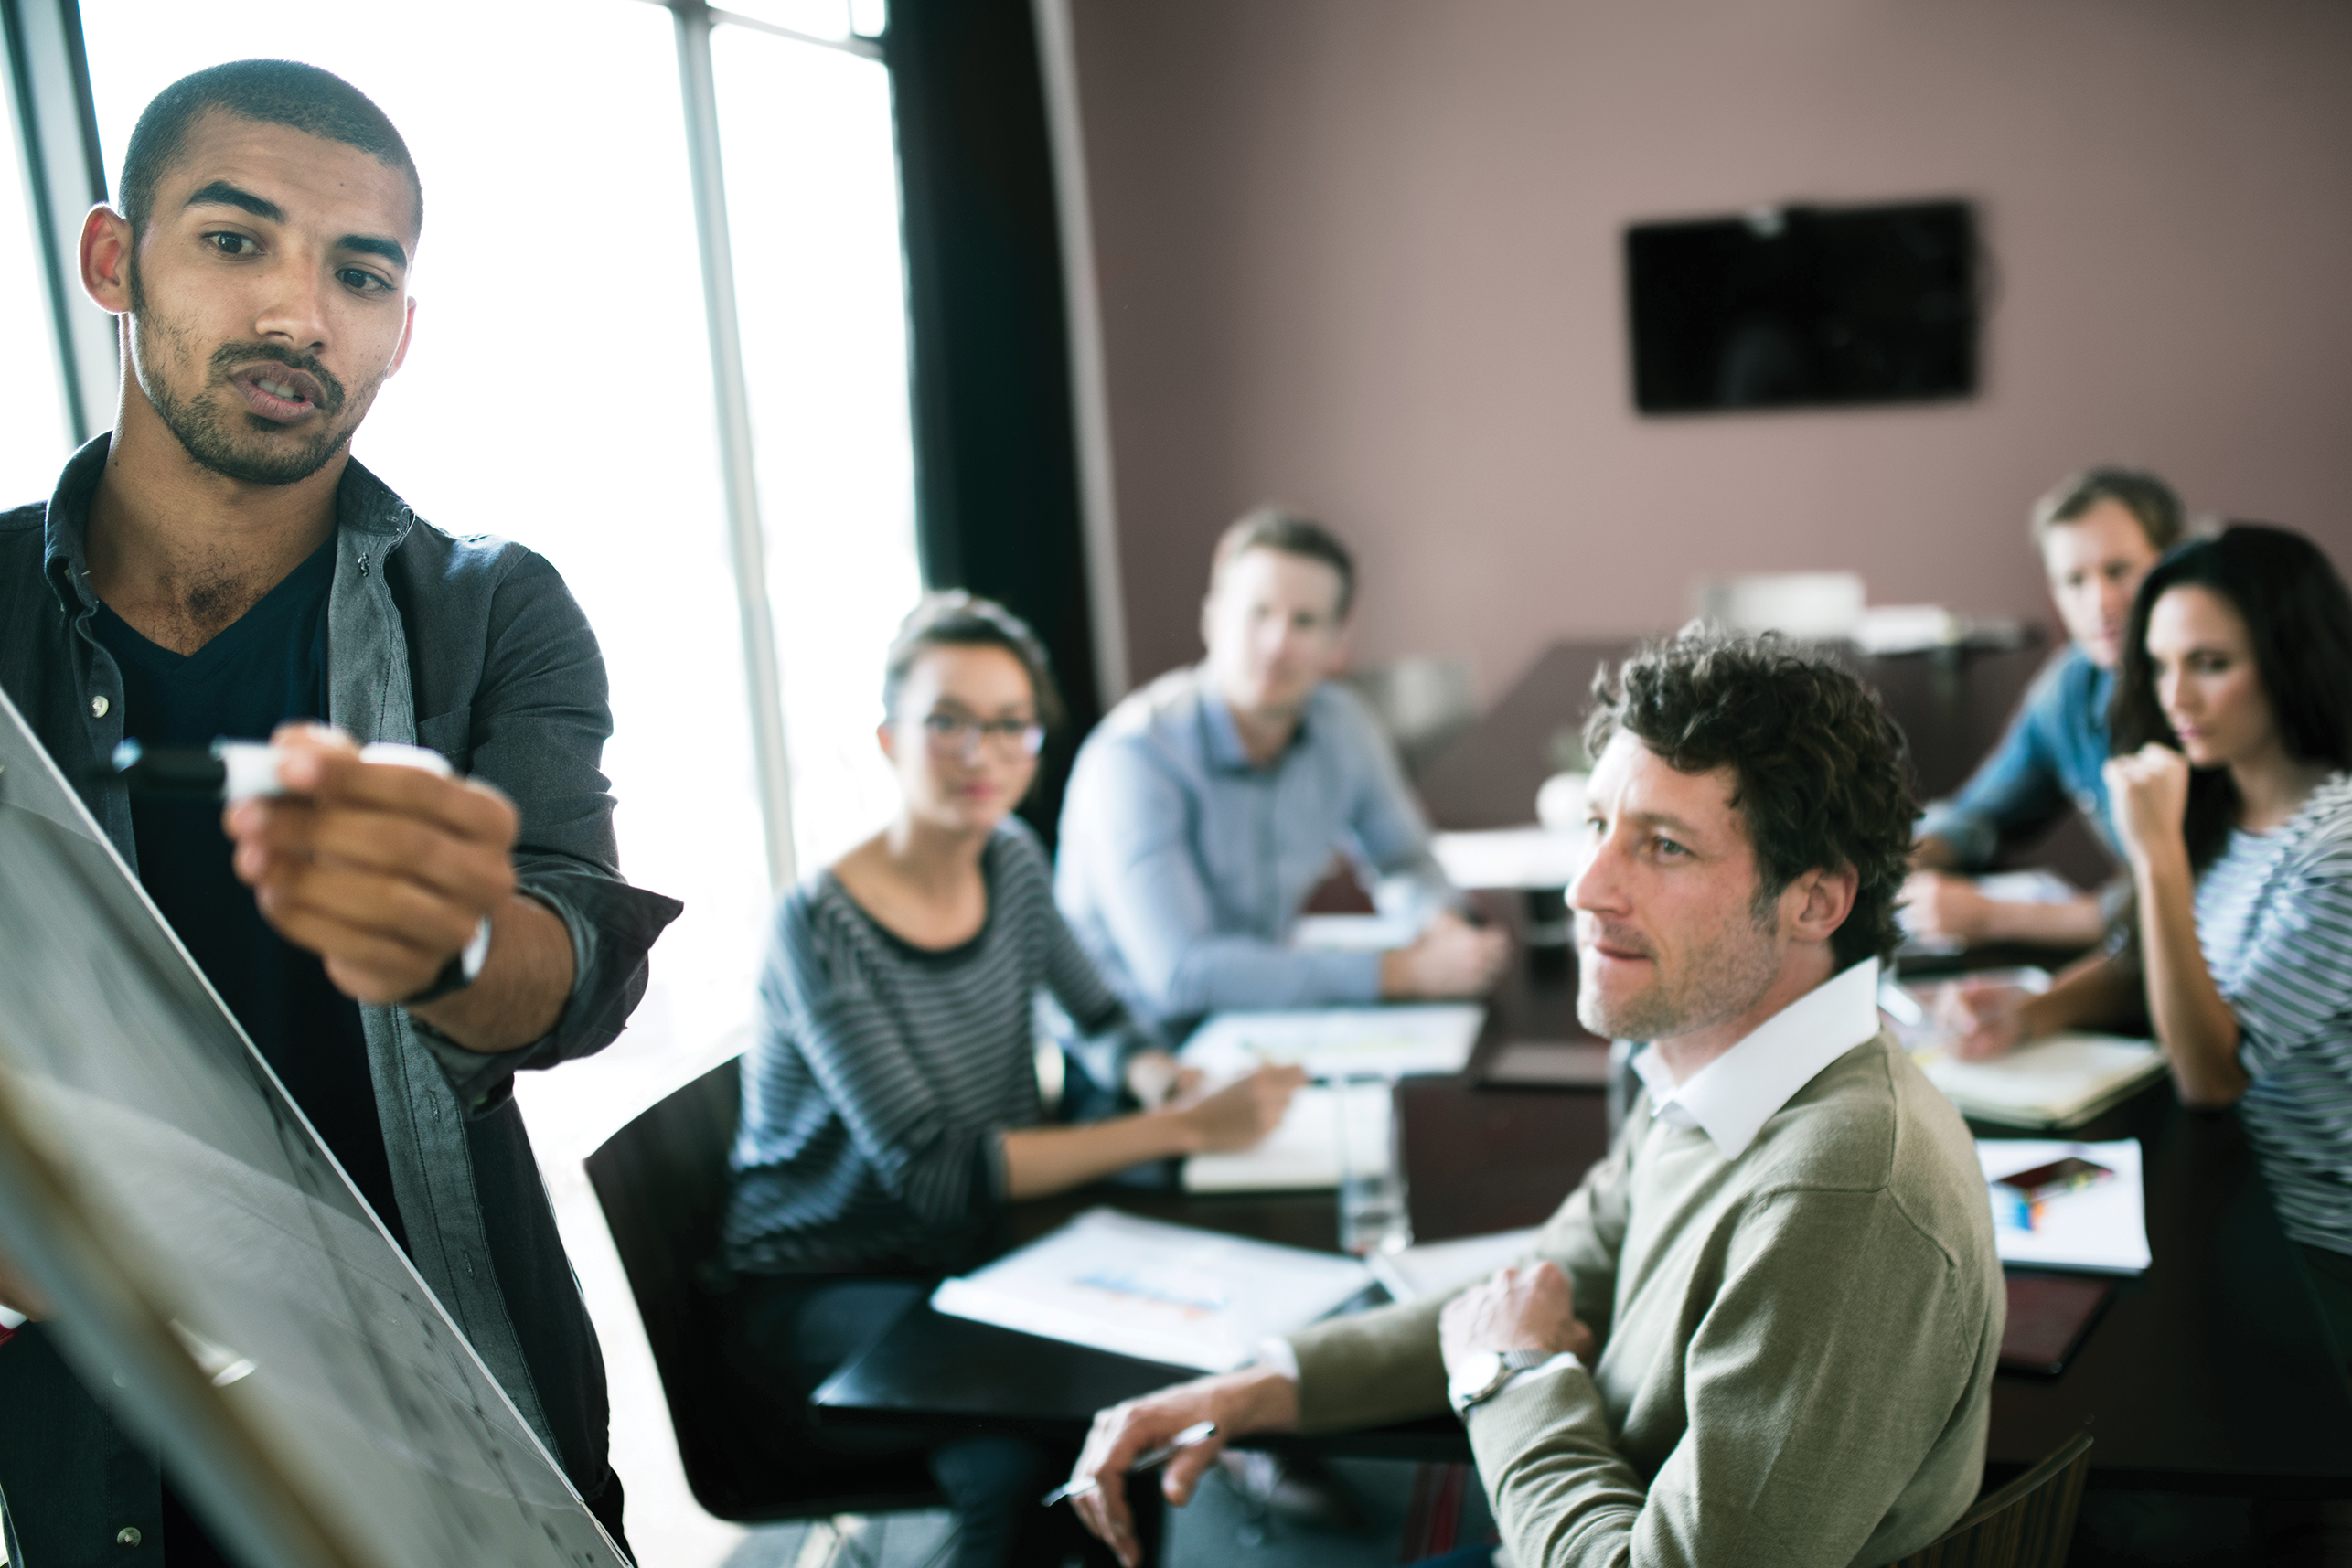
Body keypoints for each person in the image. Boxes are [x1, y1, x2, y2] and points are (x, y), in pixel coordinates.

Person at [0, 61, 679, 1563]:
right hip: (102, 1448)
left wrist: (453, 942)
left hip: (457, 1414)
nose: (299, 316)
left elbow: (576, 967)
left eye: (358, 272)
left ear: (403, 328)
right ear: (115, 260)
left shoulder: (493, 609)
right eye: (235, 243)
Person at [1064, 632, 2004, 1568]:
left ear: (1813, 901)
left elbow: (1521, 1352)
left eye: (1664, 846)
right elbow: (1552, 1275)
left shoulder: (1843, 1197)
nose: (1585, 888)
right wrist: (1261, 1383)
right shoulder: (1713, 1061)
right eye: (1597, 827)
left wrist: (1507, 1374)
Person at [721, 593, 1303, 1568]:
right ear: (887, 737)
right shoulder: (821, 923)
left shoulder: (1015, 861)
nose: (977, 752)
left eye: (1008, 724)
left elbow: (1104, 1024)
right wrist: (1185, 1128)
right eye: (946, 720)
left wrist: (1161, 1077)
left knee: (1126, 1420)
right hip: (825, 1284)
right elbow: (939, 1172)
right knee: (1003, 1477)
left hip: (976, 1257)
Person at [1945, 526, 2352, 1368]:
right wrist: (2034, 1010)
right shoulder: (2227, 808)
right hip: (2222, 1178)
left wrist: (2157, 854)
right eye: (2160, 667)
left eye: (2210, 663)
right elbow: (2159, 973)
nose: (2177, 700)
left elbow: (2212, 1072)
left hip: (2309, 1230)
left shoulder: (2335, 846)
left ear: (2291, 659)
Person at [1056, 507, 1508, 1033]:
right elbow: (1182, 975)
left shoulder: (1342, 724)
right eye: (1258, 613)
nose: (1277, 643)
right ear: (1213, 618)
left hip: (1265, 1025)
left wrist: (1442, 928)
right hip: (1142, 1056)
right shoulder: (1135, 757)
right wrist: (1400, 972)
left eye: (1305, 621)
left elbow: (1403, 860)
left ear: (1339, 644)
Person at [1907, 466, 2183, 949]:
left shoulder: (2213, 696)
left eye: (2118, 571)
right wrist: (1891, 862)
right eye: (2074, 581)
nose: (2099, 602)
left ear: (2174, 564)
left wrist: (1992, 916)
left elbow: (2195, 899)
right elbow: (1980, 813)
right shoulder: (2073, 686)